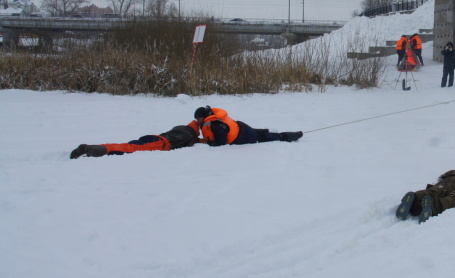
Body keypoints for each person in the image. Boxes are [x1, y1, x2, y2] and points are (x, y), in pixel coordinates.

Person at [190, 106, 302, 145]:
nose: (198, 121)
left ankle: (286, 136)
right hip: (240, 126)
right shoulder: (212, 116)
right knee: (255, 132)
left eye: (199, 119)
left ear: (204, 117)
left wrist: (207, 142)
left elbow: (221, 142)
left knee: (261, 138)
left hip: (241, 136)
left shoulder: (214, 124)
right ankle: (268, 130)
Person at [70, 124, 199, 159]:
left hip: (153, 137)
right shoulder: (190, 135)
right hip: (160, 143)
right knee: (128, 149)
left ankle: (95, 148)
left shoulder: (181, 127)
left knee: (126, 145)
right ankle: (92, 150)